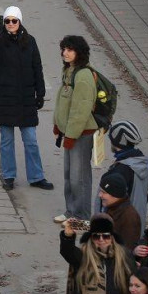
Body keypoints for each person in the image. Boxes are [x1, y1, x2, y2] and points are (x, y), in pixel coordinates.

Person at [0, 6, 53, 191]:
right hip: (4, 98)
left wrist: (41, 93)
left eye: (14, 21)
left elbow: (37, 67)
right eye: (7, 21)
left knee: (30, 140)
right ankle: (9, 176)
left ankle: (36, 177)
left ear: (20, 22)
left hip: (25, 98)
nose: (11, 24)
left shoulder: (30, 41)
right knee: (6, 140)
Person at [54, 35, 98, 225]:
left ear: (79, 53)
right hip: (71, 133)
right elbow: (64, 102)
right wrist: (59, 124)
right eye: (64, 48)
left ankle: (82, 217)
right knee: (69, 175)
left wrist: (71, 134)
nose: (65, 53)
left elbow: (81, 110)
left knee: (79, 177)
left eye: (70, 49)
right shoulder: (70, 71)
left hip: (81, 134)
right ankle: (71, 210)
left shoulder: (83, 76)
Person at [60, 214, 133, 294]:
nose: (101, 240)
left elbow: (134, 292)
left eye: (106, 236)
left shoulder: (124, 257)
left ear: (112, 237)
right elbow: (67, 251)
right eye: (96, 236)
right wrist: (68, 235)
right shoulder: (83, 256)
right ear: (91, 238)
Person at [101, 121, 148, 226]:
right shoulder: (141, 164)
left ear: (118, 142)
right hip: (137, 222)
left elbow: (110, 203)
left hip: (120, 227)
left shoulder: (120, 171)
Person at [99, 171, 143, 251]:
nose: (100, 195)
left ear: (115, 195)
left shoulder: (129, 217)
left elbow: (126, 249)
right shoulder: (112, 207)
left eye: (104, 192)